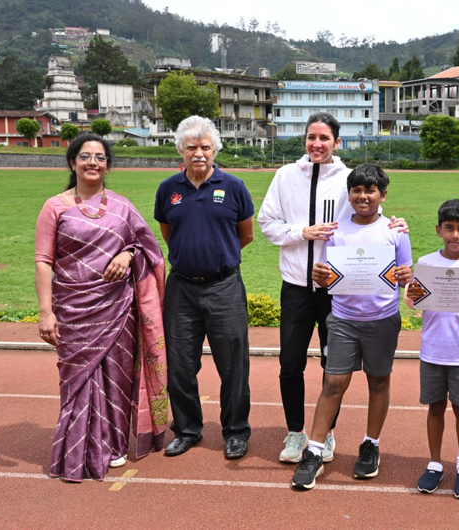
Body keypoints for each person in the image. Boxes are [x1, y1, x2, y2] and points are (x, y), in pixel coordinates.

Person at [257, 113, 406, 464]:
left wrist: (395, 221)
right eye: (311, 137)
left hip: (337, 288)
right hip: (296, 284)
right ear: (304, 140)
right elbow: (266, 222)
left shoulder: (345, 178)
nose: (317, 144)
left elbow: (367, 205)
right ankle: (295, 433)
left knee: (332, 367)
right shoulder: (285, 176)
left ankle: (327, 435)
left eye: (324, 138)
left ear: (336, 142)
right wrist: (301, 232)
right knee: (290, 364)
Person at [35, 133, 168, 482]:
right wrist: (46, 312)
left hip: (117, 309)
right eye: (85, 156)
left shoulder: (123, 207)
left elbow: (149, 249)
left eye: (100, 157)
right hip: (74, 309)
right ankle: (77, 451)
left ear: (107, 165)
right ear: (72, 163)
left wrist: (128, 253)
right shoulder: (55, 207)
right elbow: (43, 262)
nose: (93, 162)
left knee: (116, 378)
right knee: (77, 381)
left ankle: (112, 445)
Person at [291, 164, 412, 490]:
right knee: (333, 383)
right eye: (357, 190)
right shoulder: (336, 231)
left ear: (382, 195)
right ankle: (314, 451)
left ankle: (371, 444)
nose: (363, 196)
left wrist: (407, 278)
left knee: (378, 382)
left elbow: (407, 277)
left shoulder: (397, 231)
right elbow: (330, 276)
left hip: (383, 320)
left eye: (370, 190)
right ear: (350, 195)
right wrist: (321, 278)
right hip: (343, 319)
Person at [154, 116, 255, 460]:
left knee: (234, 365)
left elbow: (246, 234)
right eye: (192, 147)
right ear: (180, 150)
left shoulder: (234, 186)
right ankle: (187, 429)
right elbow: (169, 233)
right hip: (181, 288)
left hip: (224, 286)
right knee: (181, 364)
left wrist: (217, 257)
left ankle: (236, 431)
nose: (199, 153)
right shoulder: (169, 190)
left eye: (205, 147)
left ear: (215, 150)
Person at [405, 199, 459, 500]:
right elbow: (414, 302)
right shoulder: (427, 263)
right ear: (438, 230)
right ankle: (434, 463)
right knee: (435, 407)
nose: (455, 235)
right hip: (432, 349)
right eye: (449, 228)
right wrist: (411, 295)